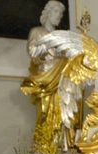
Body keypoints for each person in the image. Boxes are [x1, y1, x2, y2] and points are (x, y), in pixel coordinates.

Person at [21, 1, 67, 134]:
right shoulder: (37, 31)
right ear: (47, 13)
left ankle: (57, 141)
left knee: (60, 111)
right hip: (46, 77)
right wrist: (48, 44)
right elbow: (32, 52)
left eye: (61, 14)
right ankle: (44, 143)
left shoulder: (61, 35)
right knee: (45, 110)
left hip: (60, 77)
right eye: (56, 12)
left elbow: (65, 55)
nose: (59, 16)